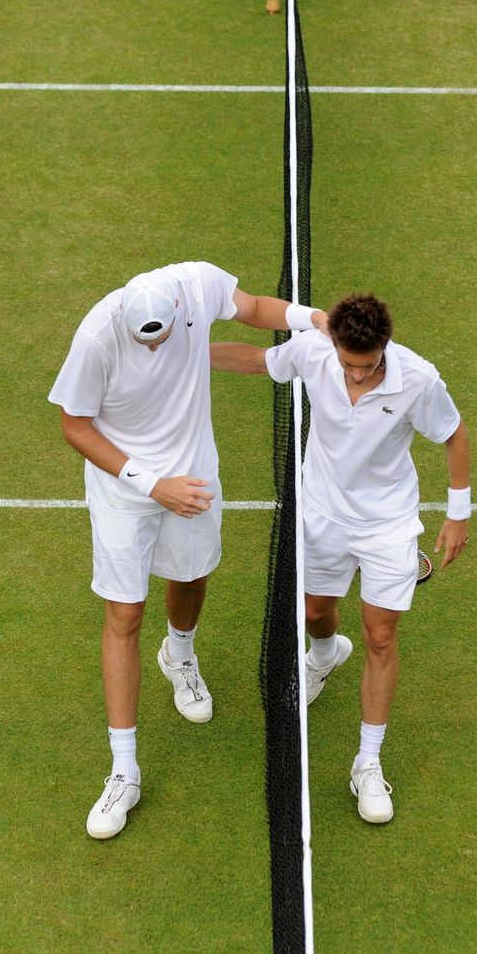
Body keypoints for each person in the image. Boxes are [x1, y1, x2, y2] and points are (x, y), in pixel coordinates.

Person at [49, 261, 326, 840]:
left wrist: (313, 318)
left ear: (178, 311)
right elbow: (75, 426)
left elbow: (255, 308)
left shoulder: (196, 284)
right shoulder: (96, 337)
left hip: (193, 476)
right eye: (142, 341)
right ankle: (124, 771)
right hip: (124, 488)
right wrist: (153, 485)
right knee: (124, 613)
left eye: (161, 338)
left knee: (193, 578)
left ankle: (179, 655)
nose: (153, 349)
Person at [211, 292, 471, 824]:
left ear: (385, 346)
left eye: (368, 366)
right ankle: (326, 655)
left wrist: (458, 514)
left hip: (387, 525)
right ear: (332, 343)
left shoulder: (419, 378)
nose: (357, 376)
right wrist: (186, 355)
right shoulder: (312, 351)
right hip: (323, 515)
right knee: (315, 613)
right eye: (349, 365)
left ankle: (367, 763)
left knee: (381, 636)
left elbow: (453, 433)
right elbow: (257, 361)